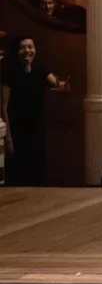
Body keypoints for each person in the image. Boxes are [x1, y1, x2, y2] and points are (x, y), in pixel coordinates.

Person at [3, 37, 69, 184]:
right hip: (17, 129)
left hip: (37, 128)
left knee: (37, 169)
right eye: (23, 48)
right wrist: (8, 138)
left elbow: (58, 84)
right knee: (19, 171)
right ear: (16, 51)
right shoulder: (10, 73)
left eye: (30, 47)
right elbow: (3, 107)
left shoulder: (40, 69)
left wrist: (66, 83)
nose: (27, 51)